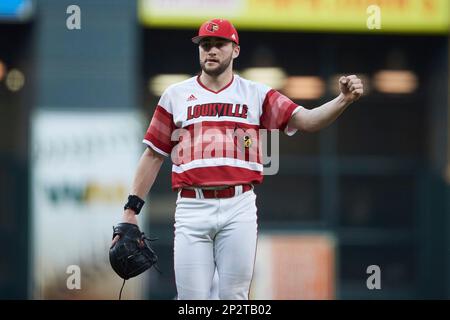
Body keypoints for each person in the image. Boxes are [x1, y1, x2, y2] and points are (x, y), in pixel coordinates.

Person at [113, 18, 363, 300]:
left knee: (235, 298)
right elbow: (153, 154)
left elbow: (306, 120)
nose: (211, 50)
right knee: (191, 301)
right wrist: (130, 210)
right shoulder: (175, 95)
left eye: (219, 44)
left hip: (238, 206)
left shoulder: (256, 93)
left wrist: (342, 100)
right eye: (205, 44)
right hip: (191, 207)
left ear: (236, 50)